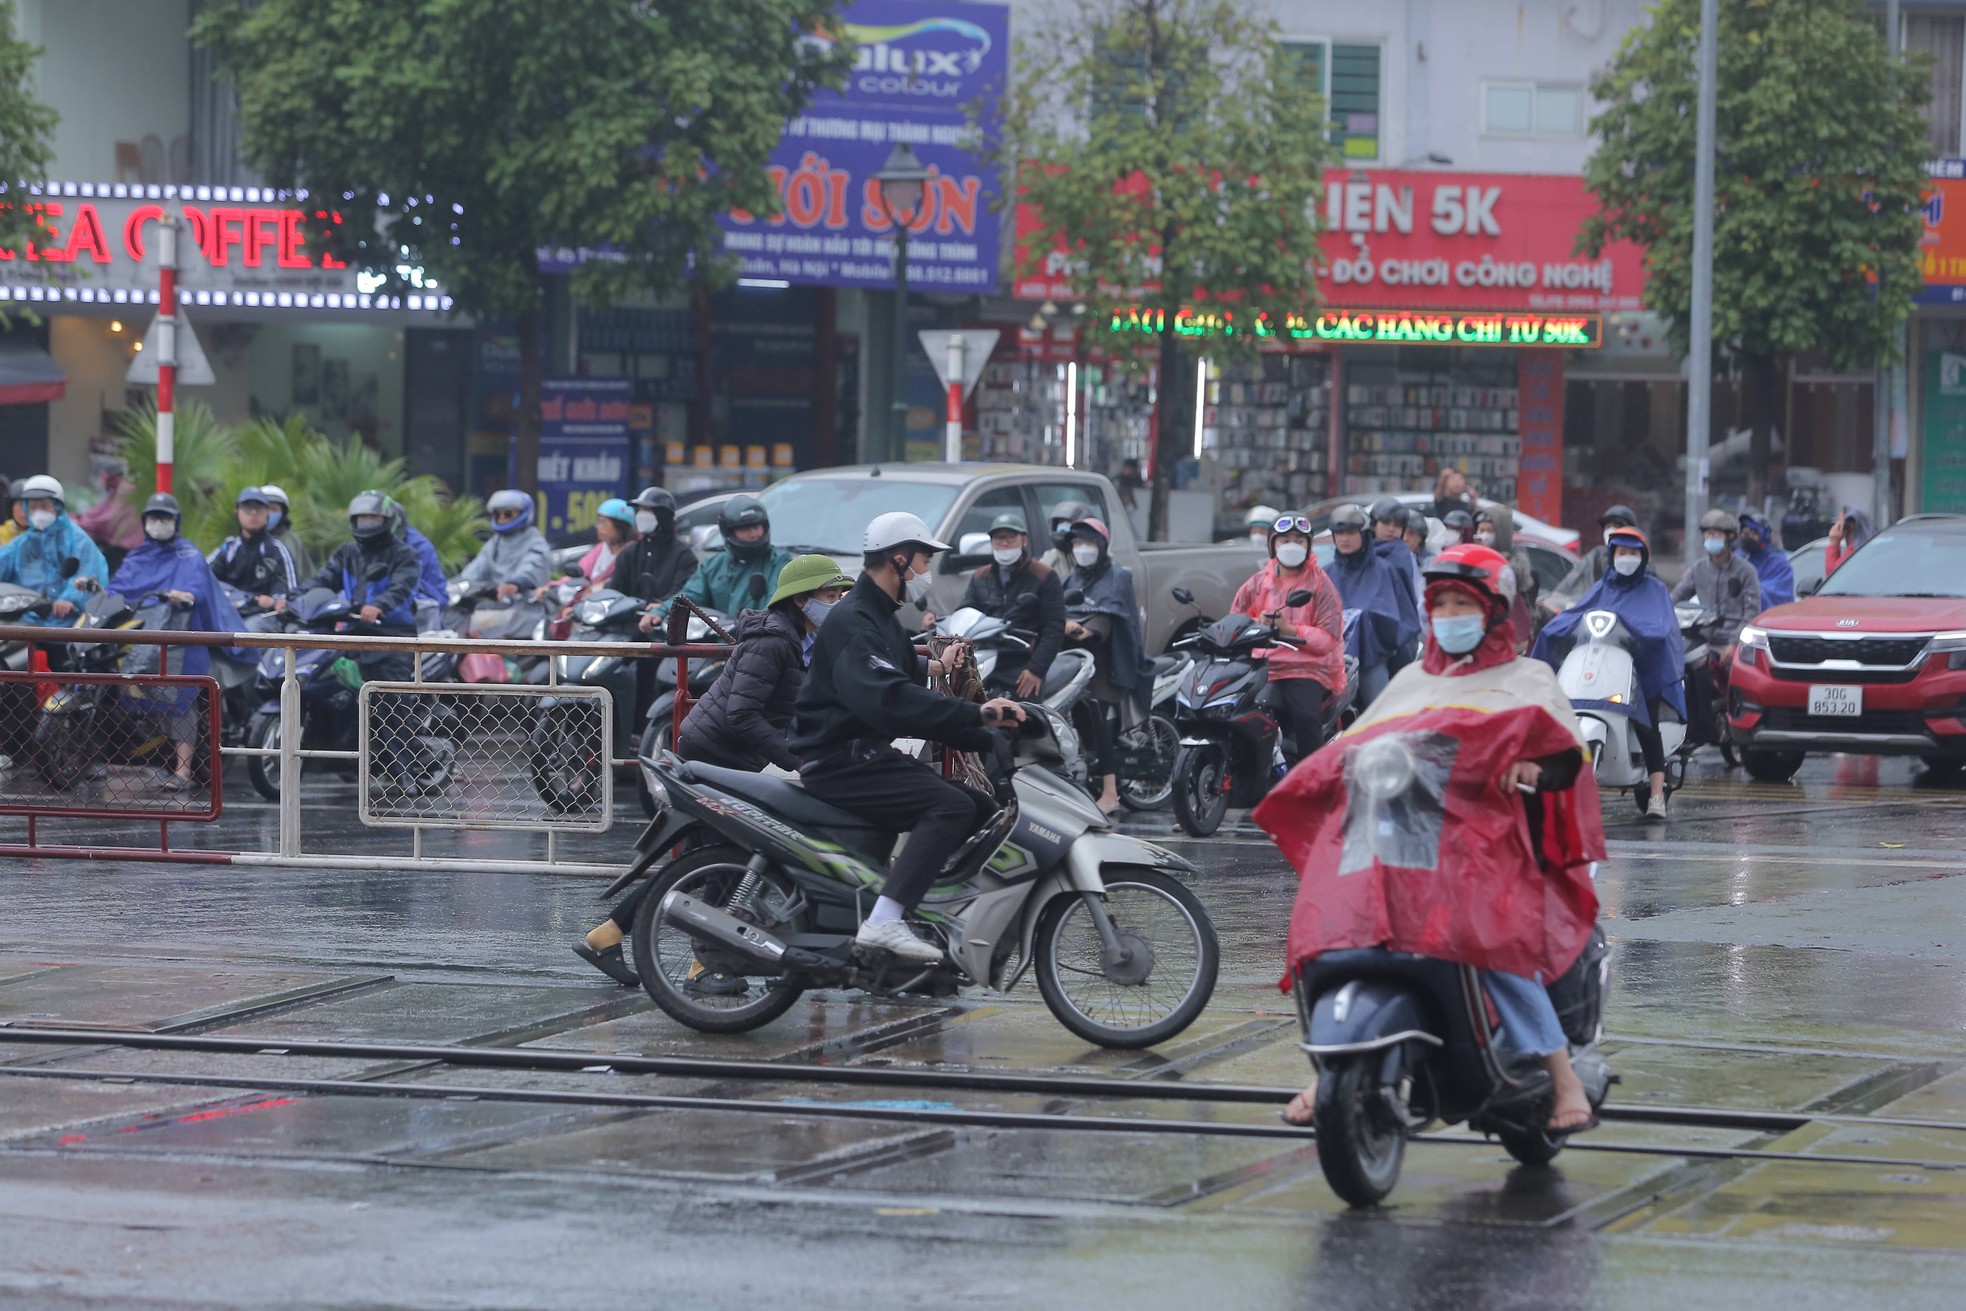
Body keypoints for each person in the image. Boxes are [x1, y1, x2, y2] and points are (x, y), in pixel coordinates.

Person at [1264, 543, 1604, 1134]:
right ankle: (1332, 1065)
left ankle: (1562, 1076)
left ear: (1495, 611)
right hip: (1401, 837)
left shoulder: (1528, 677)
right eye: (1440, 604)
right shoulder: (1411, 678)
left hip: (1492, 844)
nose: (1449, 615)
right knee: (1335, 930)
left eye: (1461, 604)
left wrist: (1531, 768)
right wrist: (1323, 770)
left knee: (1494, 944)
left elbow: (1565, 754)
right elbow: (1362, 743)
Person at [573, 554, 852, 988]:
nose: (837, 603)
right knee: (723, 862)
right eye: (830, 595)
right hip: (715, 758)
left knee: (705, 863)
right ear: (801, 600)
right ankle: (705, 966)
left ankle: (604, 937)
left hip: (730, 756)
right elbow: (742, 713)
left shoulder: (797, 638)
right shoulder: (774, 641)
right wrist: (792, 759)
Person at [789, 511, 1024, 966]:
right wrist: (981, 713)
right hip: (840, 761)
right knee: (950, 806)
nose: (926, 571)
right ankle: (883, 922)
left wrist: (990, 733)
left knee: (980, 806)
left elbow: (916, 704)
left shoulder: (883, 622)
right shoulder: (853, 622)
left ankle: (920, 910)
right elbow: (892, 701)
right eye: (924, 559)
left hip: (867, 754)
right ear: (898, 560)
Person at [1534, 528, 1686, 818]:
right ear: (1612, 556)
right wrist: (1552, 628)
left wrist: (1635, 633)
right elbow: (1575, 615)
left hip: (1642, 672)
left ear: (1642, 557)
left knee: (1647, 726)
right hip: (1601, 667)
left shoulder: (1654, 590)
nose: (1626, 558)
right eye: (1621, 553)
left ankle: (1656, 794)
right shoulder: (1602, 587)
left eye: (1632, 553)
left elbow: (1663, 628)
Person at [110, 493, 247, 791]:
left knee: (181, 696)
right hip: (138, 636)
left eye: (165, 518)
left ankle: (183, 771)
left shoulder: (189, 554)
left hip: (181, 638)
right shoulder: (137, 556)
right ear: (145, 522)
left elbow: (194, 586)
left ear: (176, 522)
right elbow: (118, 589)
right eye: (153, 518)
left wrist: (184, 596)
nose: (159, 524)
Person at [296, 493, 425, 784]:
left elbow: (402, 586)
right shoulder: (346, 552)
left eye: (373, 518)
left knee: (391, 704)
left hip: (392, 636)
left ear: (387, 520)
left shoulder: (404, 554)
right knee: (320, 682)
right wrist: (294, 598)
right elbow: (323, 579)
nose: (367, 523)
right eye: (361, 518)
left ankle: (405, 774)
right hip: (354, 632)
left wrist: (379, 605)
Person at [1232, 513, 1345, 765]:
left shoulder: (1321, 585)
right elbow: (1236, 618)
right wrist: (1254, 625)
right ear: (1273, 545)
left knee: (1305, 716)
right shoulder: (1258, 583)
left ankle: (1312, 776)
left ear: (1308, 546)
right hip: (1263, 665)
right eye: (1285, 540)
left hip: (1306, 667)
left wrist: (1291, 629)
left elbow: (1329, 637)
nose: (1291, 546)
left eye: (1298, 540)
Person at [1061, 517, 1151, 813]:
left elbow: (1112, 614)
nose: (1082, 549)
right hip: (1073, 660)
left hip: (1108, 661)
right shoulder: (1071, 578)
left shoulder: (1117, 577)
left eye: (1088, 543)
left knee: (1097, 720)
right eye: (1077, 544)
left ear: (1100, 546)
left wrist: (1085, 629)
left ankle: (1111, 792)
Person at [949, 511, 1065, 700]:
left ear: (1024, 540)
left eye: (1010, 538)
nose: (1004, 544)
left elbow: (1054, 628)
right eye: (998, 538)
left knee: (1026, 719)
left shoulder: (1044, 576)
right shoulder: (981, 576)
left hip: (1023, 661)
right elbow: (965, 612)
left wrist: (1036, 669)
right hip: (986, 656)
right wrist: (941, 622)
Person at [1326, 503, 1418, 708]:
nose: (1344, 539)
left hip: (1371, 655)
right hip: (1328, 658)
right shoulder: (1325, 573)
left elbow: (1394, 614)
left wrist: (1361, 621)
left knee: (1380, 710)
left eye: (1350, 532)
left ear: (1364, 534)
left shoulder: (1385, 570)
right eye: (1339, 533)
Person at [649, 493, 792, 625]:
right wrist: (662, 610)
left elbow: (777, 605)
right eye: (744, 529)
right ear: (728, 531)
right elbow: (690, 596)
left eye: (756, 527)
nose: (753, 534)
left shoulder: (779, 562)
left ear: (765, 526)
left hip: (760, 641)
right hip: (716, 641)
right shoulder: (714, 565)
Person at [0, 476, 110, 623]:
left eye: (44, 506)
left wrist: (69, 599)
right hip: (26, 620)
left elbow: (88, 571)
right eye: (33, 507)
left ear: (57, 507)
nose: (38, 512)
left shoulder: (77, 539)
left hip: (69, 622)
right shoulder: (21, 544)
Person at [1673, 509, 1762, 652]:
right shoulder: (1698, 569)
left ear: (1730, 537)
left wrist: (1734, 644)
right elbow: (1676, 597)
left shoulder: (1746, 571)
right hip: (1702, 641)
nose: (1711, 538)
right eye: (1708, 534)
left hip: (1734, 644)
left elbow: (1752, 613)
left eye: (1717, 534)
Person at [209, 487, 300, 610]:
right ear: (237, 512)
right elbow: (203, 575)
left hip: (264, 616)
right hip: (228, 612)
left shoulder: (277, 549)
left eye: (259, 508)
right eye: (247, 508)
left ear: (267, 513)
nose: (253, 513)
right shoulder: (228, 547)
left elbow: (291, 592)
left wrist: (276, 601)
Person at [620, 487, 698, 628]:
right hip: (627, 627)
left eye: (647, 510)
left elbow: (683, 593)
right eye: (640, 510)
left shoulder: (683, 555)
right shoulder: (630, 552)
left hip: (664, 628)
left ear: (662, 515)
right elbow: (617, 589)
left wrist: (661, 607)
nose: (641, 515)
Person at [455, 489, 550, 601]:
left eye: (507, 514)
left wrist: (516, 584)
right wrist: (454, 585)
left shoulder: (535, 541)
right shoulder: (495, 542)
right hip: (497, 607)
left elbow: (531, 569)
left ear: (523, 513)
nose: (501, 518)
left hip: (528, 607)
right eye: (497, 514)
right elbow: (474, 571)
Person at [1546, 504, 1638, 613]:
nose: (1611, 530)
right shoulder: (1598, 556)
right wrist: (1555, 600)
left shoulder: (1642, 564)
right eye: (1608, 527)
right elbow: (1573, 580)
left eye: (1632, 553)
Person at [1736, 512, 1795, 608]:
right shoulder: (1738, 558)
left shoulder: (1779, 565)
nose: (1747, 536)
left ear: (1764, 535)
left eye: (1753, 532)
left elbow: (1777, 597)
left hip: (1765, 621)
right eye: (1744, 532)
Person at [256, 483, 311, 577]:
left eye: (274, 509)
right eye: (265, 508)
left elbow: (303, 575)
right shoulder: (246, 539)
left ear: (283, 513)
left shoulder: (291, 539)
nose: (269, 513)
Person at [1038, 499, 1093, 579]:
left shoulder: (1090, 555)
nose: (1063, 527)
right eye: (1060, 522)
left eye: (1069, 522)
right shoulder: (1050, 558)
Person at [1824, 506, 1873, 577]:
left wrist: (1833, 542)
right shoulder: (1871, 547)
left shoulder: (1856, 550)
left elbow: (1832, 576)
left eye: (1839, 525)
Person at [0, 477, 25, 546]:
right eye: (21, 505)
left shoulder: (49, 535)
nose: (25, 511)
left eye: (32, 506)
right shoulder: (2, 534)